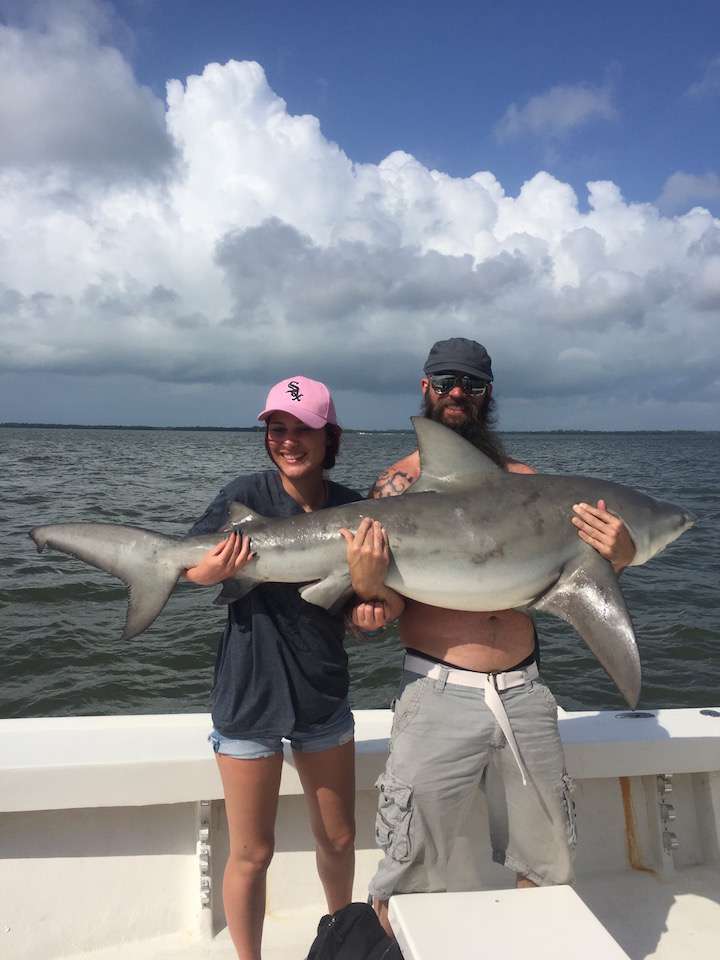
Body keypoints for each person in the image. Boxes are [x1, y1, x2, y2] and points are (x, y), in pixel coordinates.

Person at [344, 337, 636, 935]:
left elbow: (571, 576)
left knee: (548, 863)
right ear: (425, 387)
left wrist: (621, 556)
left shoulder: (529, 483)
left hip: (525, 696)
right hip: (437, 694)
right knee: (408, 868)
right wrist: (368, 594)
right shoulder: (395, 488)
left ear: (488, 396)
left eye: (471, 385)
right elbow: (375, 608)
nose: (457, 394)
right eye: (446, 381)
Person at [184, 376, 363, 960]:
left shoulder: (356, 510)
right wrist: (205, 573)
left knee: (338, 838)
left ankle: (341, 943)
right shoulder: (244, 496)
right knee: (251, 852)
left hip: (320, 691)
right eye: (277, 429)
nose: (289, 442)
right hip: (248, 690)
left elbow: (368, 603)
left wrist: (372, 607)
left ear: (328, 437)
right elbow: (191, 564)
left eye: (303, 430)